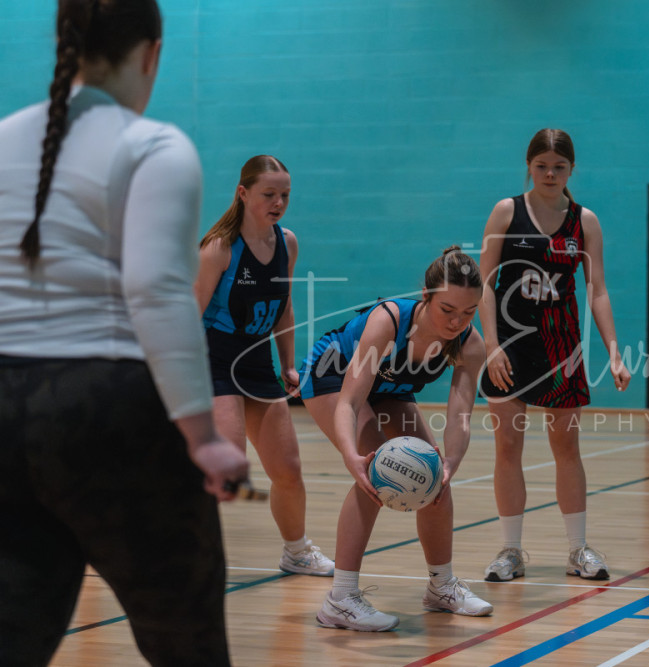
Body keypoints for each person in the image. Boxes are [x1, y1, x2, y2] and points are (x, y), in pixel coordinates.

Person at [0, 1, 249, 665]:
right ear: (152, 53)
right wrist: (203, 437)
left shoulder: (2, 138)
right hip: (108, 408)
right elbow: (156, 290)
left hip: (4, 408)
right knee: (187, 643)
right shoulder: (155, 146)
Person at [299, 247, 493, 631]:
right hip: (331, 375)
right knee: (374, 470)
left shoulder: (470, 344)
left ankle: (441, 587)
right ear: (426, 296)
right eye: (447, 309)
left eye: (469, 312)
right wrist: (351, 457)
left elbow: (460, 417)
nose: (457, 321)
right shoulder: (388, 322)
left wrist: (449, 464)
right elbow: (350, 401)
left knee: (434, 478)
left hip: (390, 386)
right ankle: (340, 599)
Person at [479, 128, 631, 583]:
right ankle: (510, 551)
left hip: (561, 346)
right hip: (510, 345)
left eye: (559, 167)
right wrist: (491, 345)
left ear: (571, 169)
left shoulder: (585, 221)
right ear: (529, 166)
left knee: (567, 447)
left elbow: (597, 290)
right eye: (541, 166)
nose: (549, 174)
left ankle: (578, 549)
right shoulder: (507, 211)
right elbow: (484, 284)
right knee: (508, 447)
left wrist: (614, 352)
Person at [194, 155, 335, 576]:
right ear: (243, 193)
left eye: (285, 195)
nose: (278, 203)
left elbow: (283, 306)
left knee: (288, 469)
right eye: (269, 194)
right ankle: (190, 553)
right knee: (229, 465)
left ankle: (297, 552)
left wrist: (288, 364)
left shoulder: (286, 243)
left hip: (257, 361)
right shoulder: (219, 248)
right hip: (215, 361)